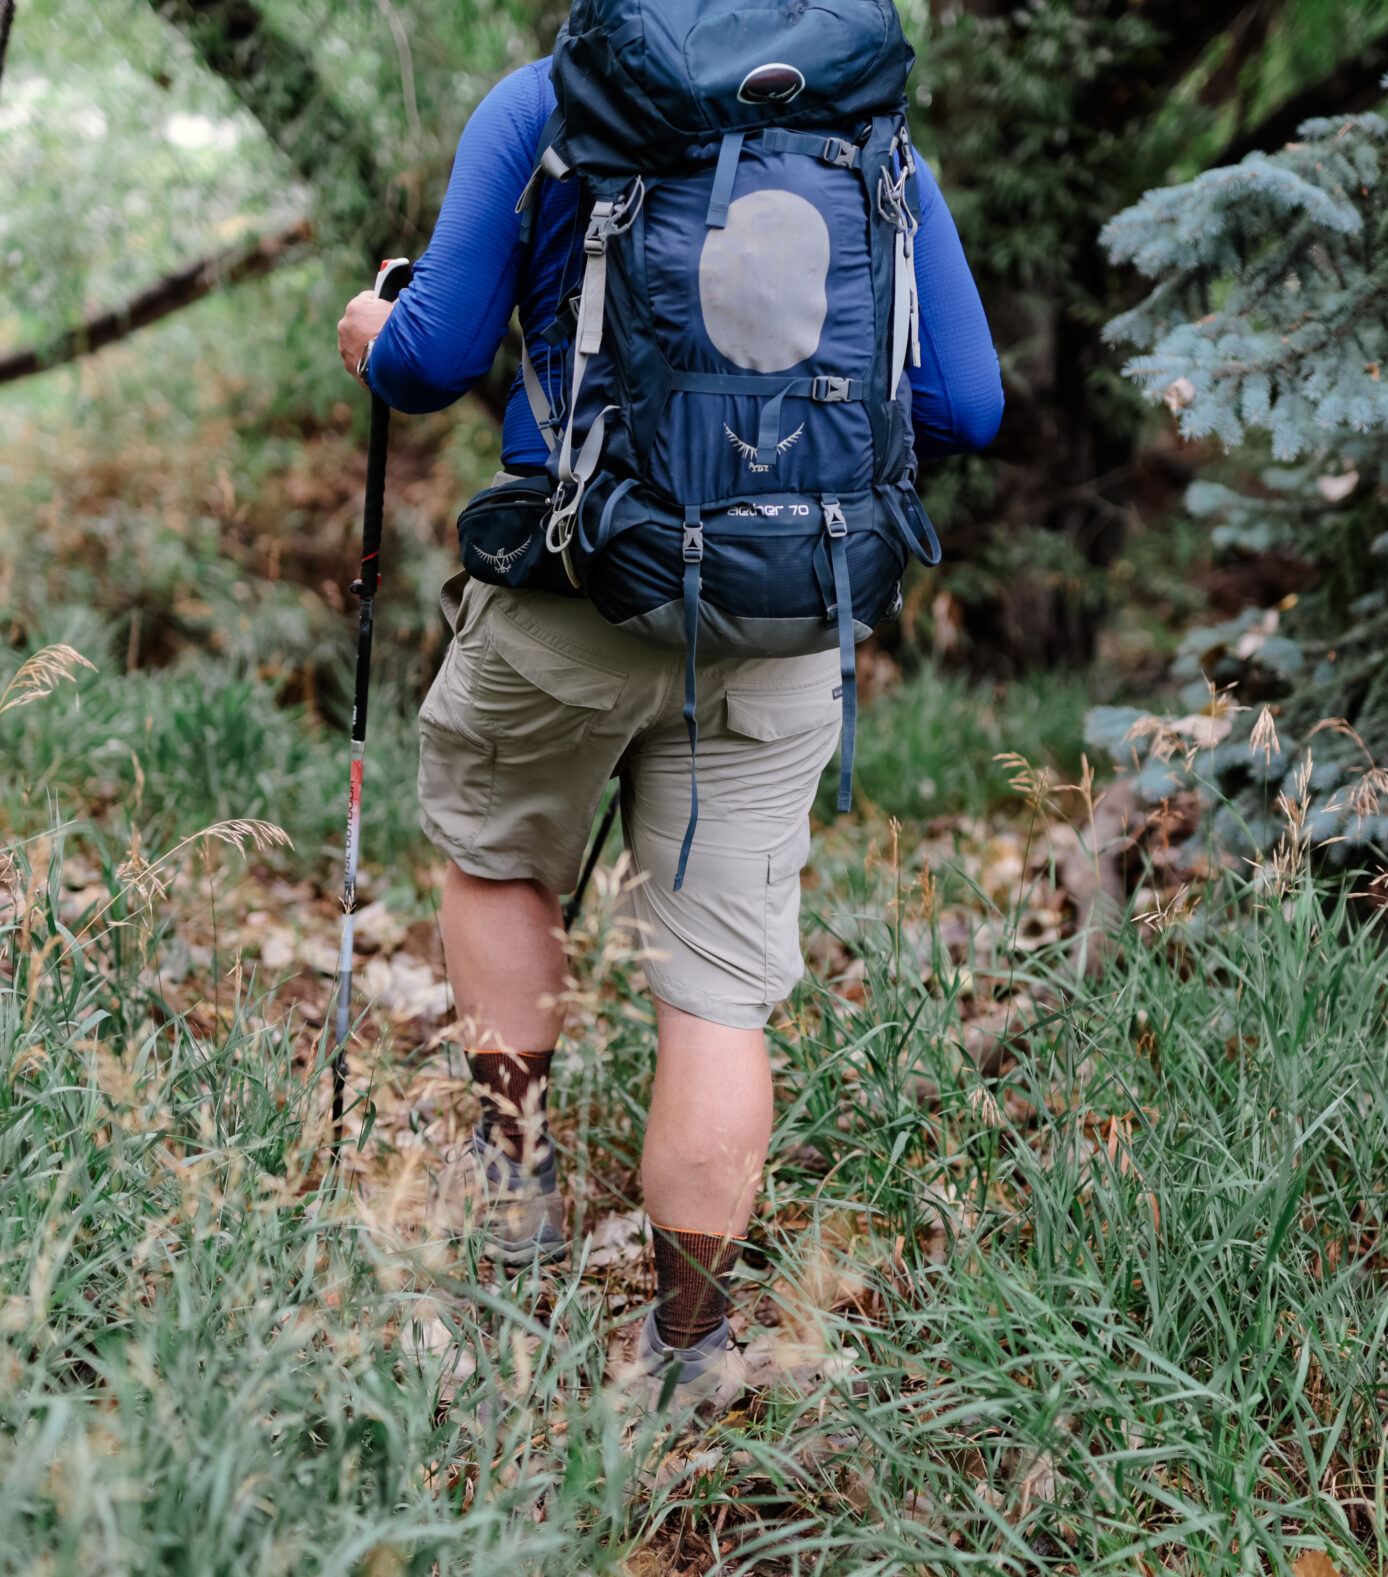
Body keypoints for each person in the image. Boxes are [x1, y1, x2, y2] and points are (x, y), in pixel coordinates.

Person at [336, 50, 1001, 1413]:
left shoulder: (544, 101)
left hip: (575, 595)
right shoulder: (868, 128)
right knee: (715, 989)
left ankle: (512, 1178)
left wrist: (368, 328)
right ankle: (691, 1347)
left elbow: (429, 361)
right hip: (784, 622)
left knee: (500, 856)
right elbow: (966, 407)